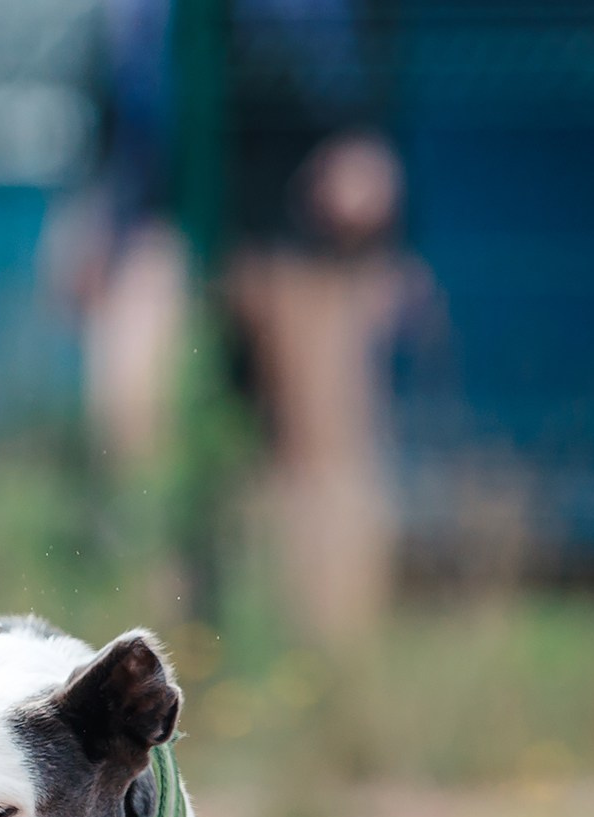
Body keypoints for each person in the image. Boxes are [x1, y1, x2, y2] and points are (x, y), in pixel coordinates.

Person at [54, 0, 441, 641]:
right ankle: (154, 654)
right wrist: (95, 208)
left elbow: (377, 64)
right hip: (167, 211)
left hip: (305, 214)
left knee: (325, 444)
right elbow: (116, 92)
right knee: (138, 424)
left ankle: (336, 654)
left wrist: (373, 167)